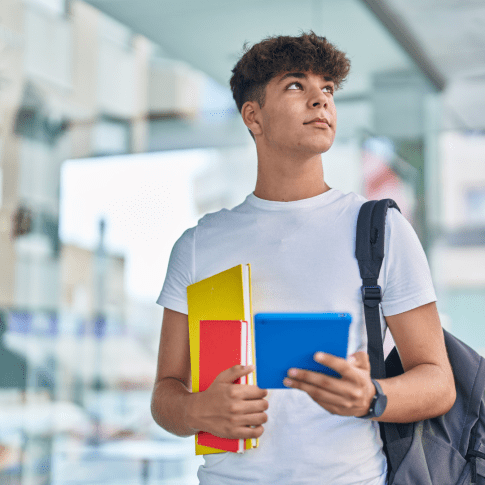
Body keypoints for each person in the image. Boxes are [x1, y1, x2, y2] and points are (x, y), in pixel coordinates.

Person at [150, 32, 456, 484]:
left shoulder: (380, 230)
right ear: (253, 116)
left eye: (327, 89)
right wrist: (197, 409)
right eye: (297, 85)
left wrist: (371, 396)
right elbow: (165, 395)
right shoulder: (200, 243)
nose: (320, 100)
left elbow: (438, 382)